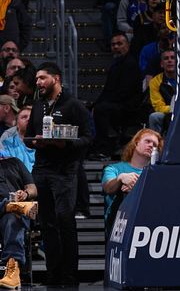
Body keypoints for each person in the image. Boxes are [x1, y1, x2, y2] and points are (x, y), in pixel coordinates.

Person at [25, 62, 93, 286]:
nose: (38, 83)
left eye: (42, 78)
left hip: (65, 171)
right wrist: (35, 142)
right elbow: (30, 135)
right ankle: (53, 275)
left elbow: (87, 138)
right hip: (42, 169)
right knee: (47, 224)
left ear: (56, 78)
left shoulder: (74, 105)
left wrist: (66, 145)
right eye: (36, 79)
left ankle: (70, 276)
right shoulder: (37, 105)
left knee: (65, 220)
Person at [101, 128, 161, 238]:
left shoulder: (157, 174)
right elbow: (108, 188)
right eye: (147, 141)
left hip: (147, 230)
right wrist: (120, 178)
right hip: (118, 230)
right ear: (136, 142)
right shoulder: (114, 169)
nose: (151, 145)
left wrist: (135, 188)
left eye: (155, 144)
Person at [0, 153, 38, 289]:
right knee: (14, 211)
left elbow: (33, 189)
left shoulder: (15, 163)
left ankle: (13, 271)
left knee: (13, 217)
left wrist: (25, 194)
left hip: (15, 215)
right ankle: (8, 205)